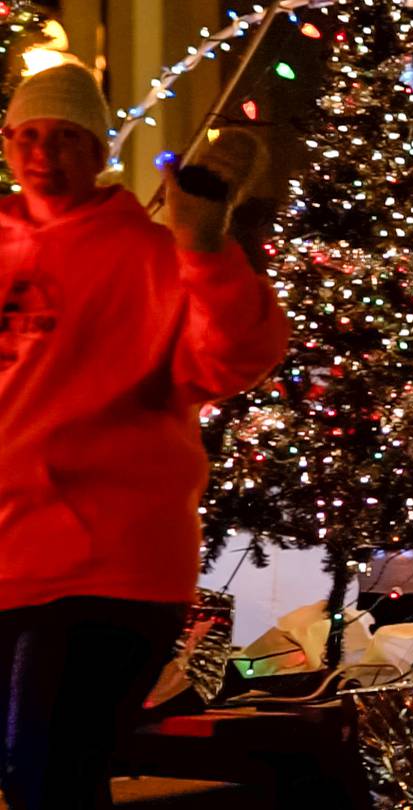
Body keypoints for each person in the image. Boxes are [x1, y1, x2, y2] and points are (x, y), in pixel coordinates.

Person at [0, 64, 289, 807]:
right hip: (7, 557)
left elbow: (235, 357)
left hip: (106, 568)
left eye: (66, 137)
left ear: (99, 150)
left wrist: (203, 247)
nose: (43, 153)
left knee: (49, 776)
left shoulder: (151, 253)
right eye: (27, 135)